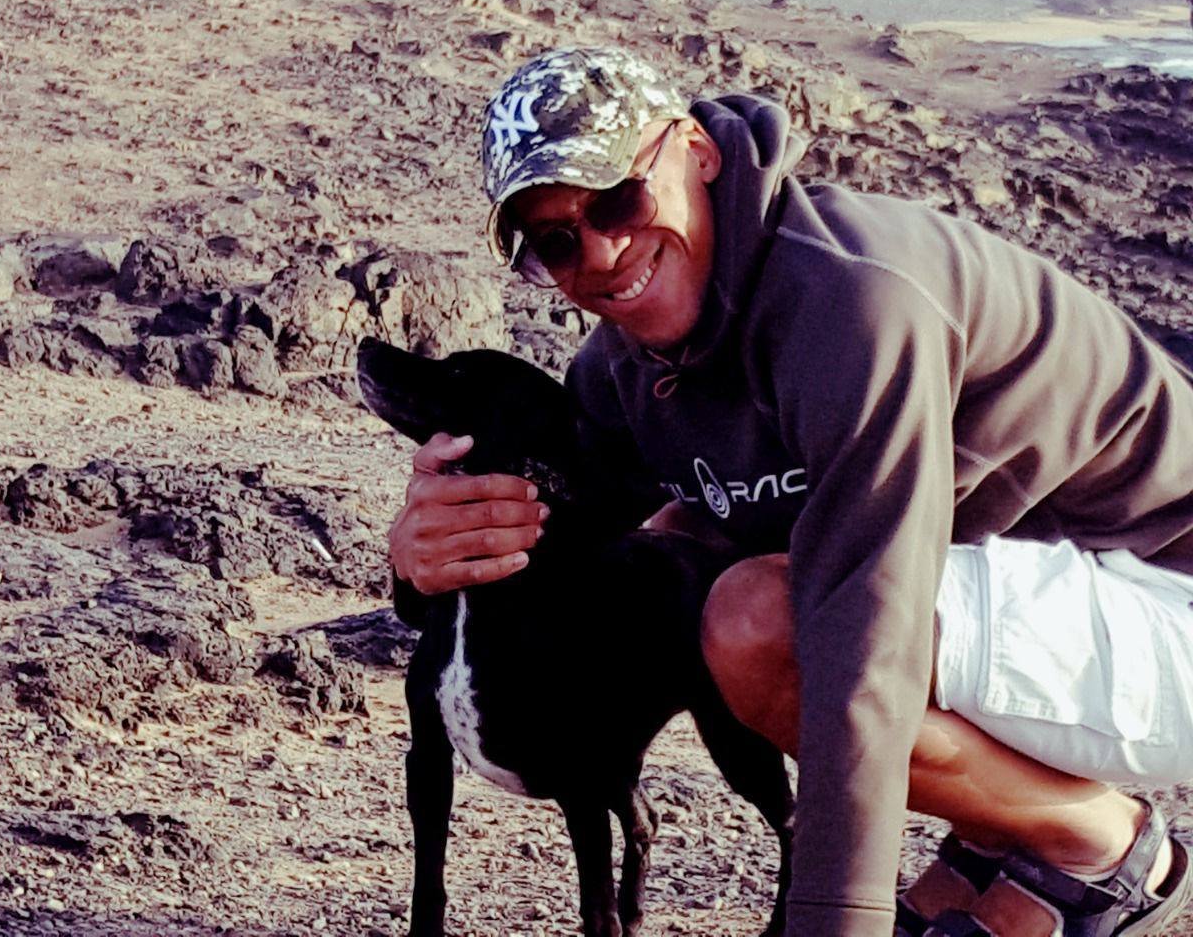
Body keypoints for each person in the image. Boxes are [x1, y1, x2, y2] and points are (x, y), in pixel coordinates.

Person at [386, 46, 1193, 937]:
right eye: (555, 242)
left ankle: (1099, 844)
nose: (602, 254)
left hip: (1167, 604)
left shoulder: (852, 300)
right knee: (686, 543)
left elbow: (867, 640)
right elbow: (564, 555)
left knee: (758, 618)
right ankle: (1000, 830)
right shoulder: (626, 367)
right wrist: (426, 562)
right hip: (1047, 603)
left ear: (697, 153)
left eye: (617, 200)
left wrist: (835, 920)